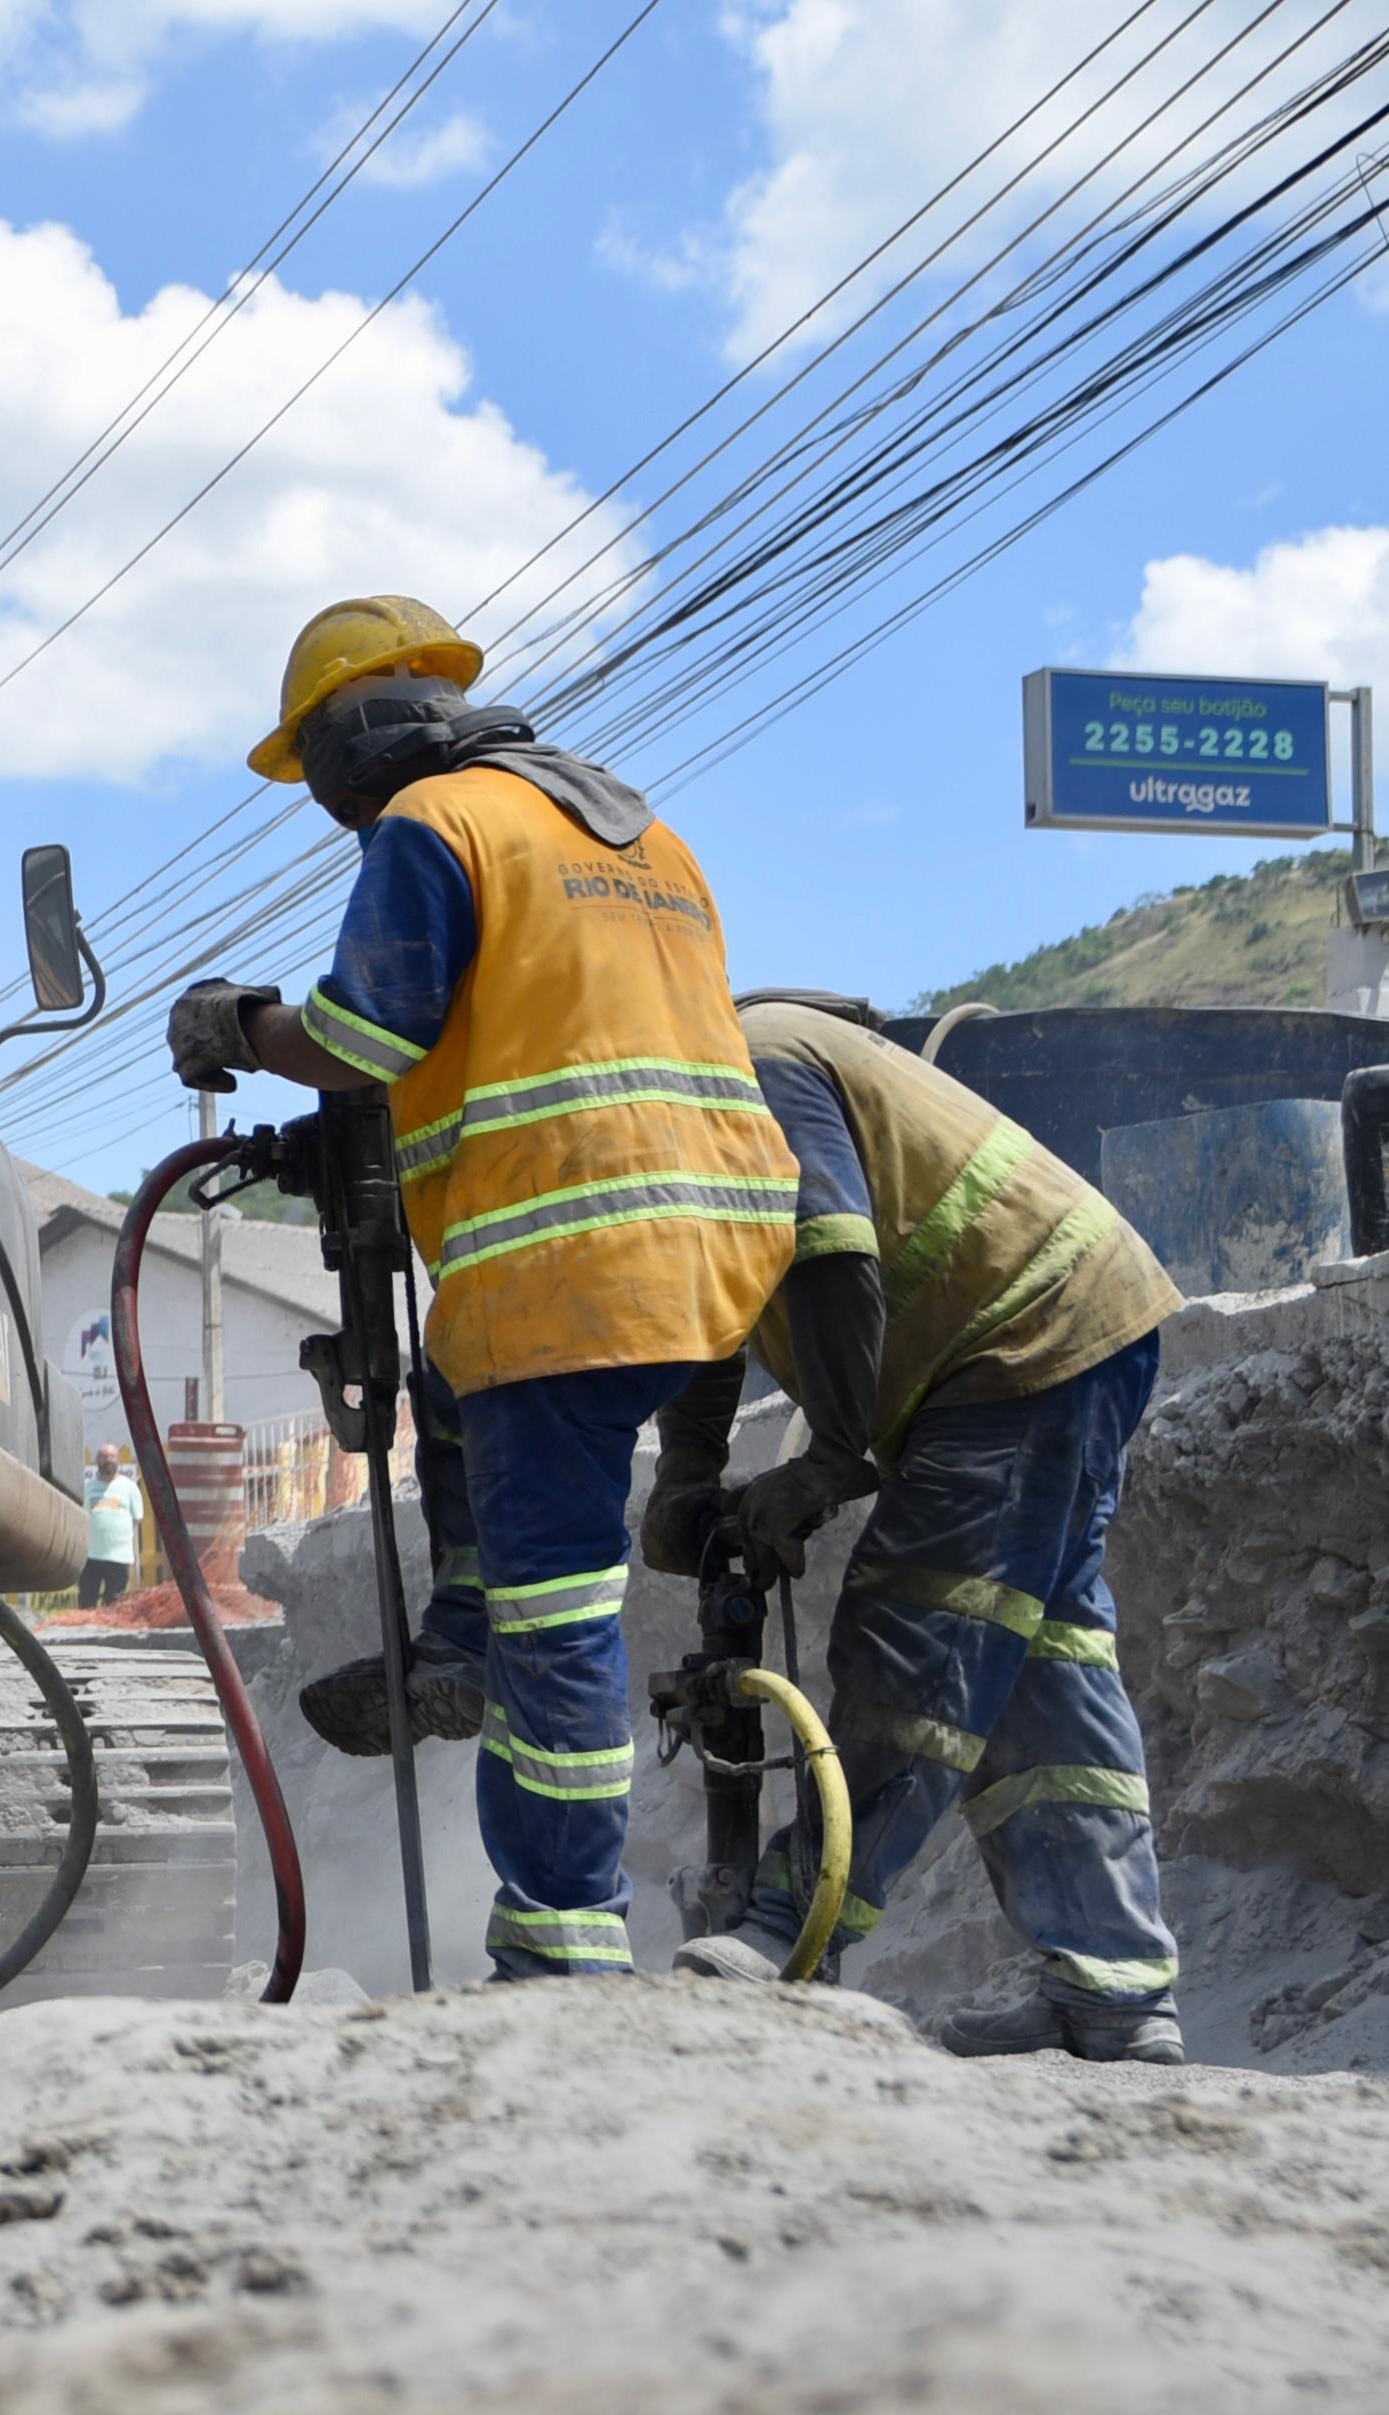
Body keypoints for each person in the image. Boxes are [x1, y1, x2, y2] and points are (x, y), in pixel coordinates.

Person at [166, 596, 797, 1980]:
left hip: (571, 1265)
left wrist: (238, 1024)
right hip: (724, 1244)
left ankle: (562, 1935)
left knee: (556, 1612)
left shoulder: (433, 826)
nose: (327, 804)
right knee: (450, 1386)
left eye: (318, 773)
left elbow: (357, 1034)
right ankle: (459, 1624)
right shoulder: (643, 834)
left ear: (351, 741)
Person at [643, 992, 1187, 2061]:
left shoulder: (744, 1063)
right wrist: (687, 1472)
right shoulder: (686, 1114)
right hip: (1052, 1336)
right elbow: (705, 1313)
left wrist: (831, 1457)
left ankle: (790, 1925)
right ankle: (1112, 1986)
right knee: (1042, 1670)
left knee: (914, 1629)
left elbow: (835, 1251)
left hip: (1025, 1337)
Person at [80, 1446, 145, 1606]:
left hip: (119, 1556)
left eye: (112, 1456)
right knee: (87, 1602)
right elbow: (80, 1515)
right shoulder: (87, 1487)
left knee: (115, 1603)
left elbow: (138, 1518)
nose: (108, 1460)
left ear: (118, 1460)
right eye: (104, 1456)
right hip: (91, 1556)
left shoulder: (129, 1487)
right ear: (97, 1460)